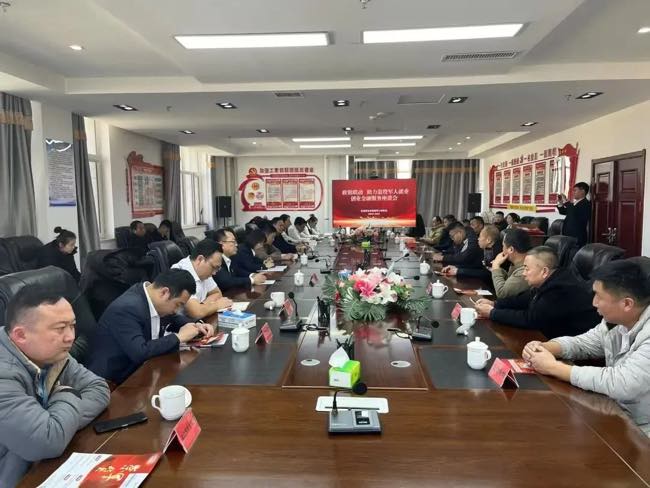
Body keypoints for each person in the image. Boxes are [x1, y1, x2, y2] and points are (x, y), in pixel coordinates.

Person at [522, 260, 650, 436]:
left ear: (627, 304)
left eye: (599, 296)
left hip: (643, 428)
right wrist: (546, 347)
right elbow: (585, 343)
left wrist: (553, 367)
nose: (594, 303)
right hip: (616, 413)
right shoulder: (615, 322)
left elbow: (623, 383)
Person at [0, 287, 110, 486]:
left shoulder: (51, 354)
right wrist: (66, 393)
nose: (70, 337)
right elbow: (45, 442)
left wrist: (57, 423)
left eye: (72, 325)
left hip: (44, 466)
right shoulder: (3, 374)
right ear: (20, 335)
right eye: (60, 328)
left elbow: (99, 389)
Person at [87, 269, 213, 385]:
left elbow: (173, 318)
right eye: (178, 304)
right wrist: (178, 337)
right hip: (115, 382)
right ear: (164, 292)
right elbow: (140, 352)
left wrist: (196, 325)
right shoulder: (127, 309)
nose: (176, 310)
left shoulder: (151, 296)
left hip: (143, 370)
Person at [475, 246, 599, 339]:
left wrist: (492, 313)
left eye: (527, 269)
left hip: (575, 348)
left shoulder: (560, 288)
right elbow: (523, 299)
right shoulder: (550, 279)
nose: (524, 273)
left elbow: (531, 319)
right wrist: (495, 304)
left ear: (544, 271)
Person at [171, 239, 232, 319]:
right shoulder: (181, 272)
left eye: (217, 269)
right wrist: (217, 305)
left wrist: (202, 306)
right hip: (181, 323)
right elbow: (196, 312)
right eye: (214, 267)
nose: (214, 273)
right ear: (200, 259)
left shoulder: (204, 272)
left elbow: (217, 293)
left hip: (198, 321)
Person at [489, 228, 532, 299]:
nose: (502, 249)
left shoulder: (524, 270)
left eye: (503, 246)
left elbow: (502, 293)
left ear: (511, 249)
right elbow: (509, 283)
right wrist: (498, 270)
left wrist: (496, 266)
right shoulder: (516, 264)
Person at [557, 182, 591, 247]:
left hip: (577, 237)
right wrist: (561, 203)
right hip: (567, 236)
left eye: (575, 190)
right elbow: (563, 212)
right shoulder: (574, 204)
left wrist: (565, 201)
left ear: (583, 191)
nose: (573, 192)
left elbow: (573, 211)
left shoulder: (586, 204)